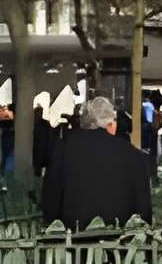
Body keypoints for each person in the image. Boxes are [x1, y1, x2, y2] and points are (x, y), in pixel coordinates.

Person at [39, 95, 152, 230]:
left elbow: (51, 198)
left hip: (74, 237)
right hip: (120, 240)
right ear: (111, 124)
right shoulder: (133, 155)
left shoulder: (63, 150)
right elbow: (143, 209)